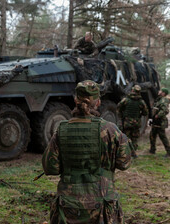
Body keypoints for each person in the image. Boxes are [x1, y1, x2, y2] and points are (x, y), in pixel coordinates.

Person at [42, 80, 132, 224]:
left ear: (75, 100)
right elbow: (124, 163)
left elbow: (50, 167)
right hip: (102, 204)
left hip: (68, 206)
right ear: (98, 103)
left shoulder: (61, 130)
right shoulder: (110, 130)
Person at [117, 85, 149, 158]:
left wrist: (121, 116)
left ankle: (125, 154)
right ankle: (133, 154)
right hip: (136, 123)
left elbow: (119, 108)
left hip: (126, 123)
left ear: (132, 90)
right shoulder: (141, 102)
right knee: (134, 139)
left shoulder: (125, 100)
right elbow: (145, 113)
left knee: (125, 138)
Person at [149, 88, 170, 157]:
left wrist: (157, 115)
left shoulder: (163, 100)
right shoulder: (159, 99)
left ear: (163, 93)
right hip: (156, 122)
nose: (159, 91)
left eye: (161, 91)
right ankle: (152, 150)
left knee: (163, 137)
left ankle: (169, 152)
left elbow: (165, 110)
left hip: (160, 121)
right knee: (152, 136)